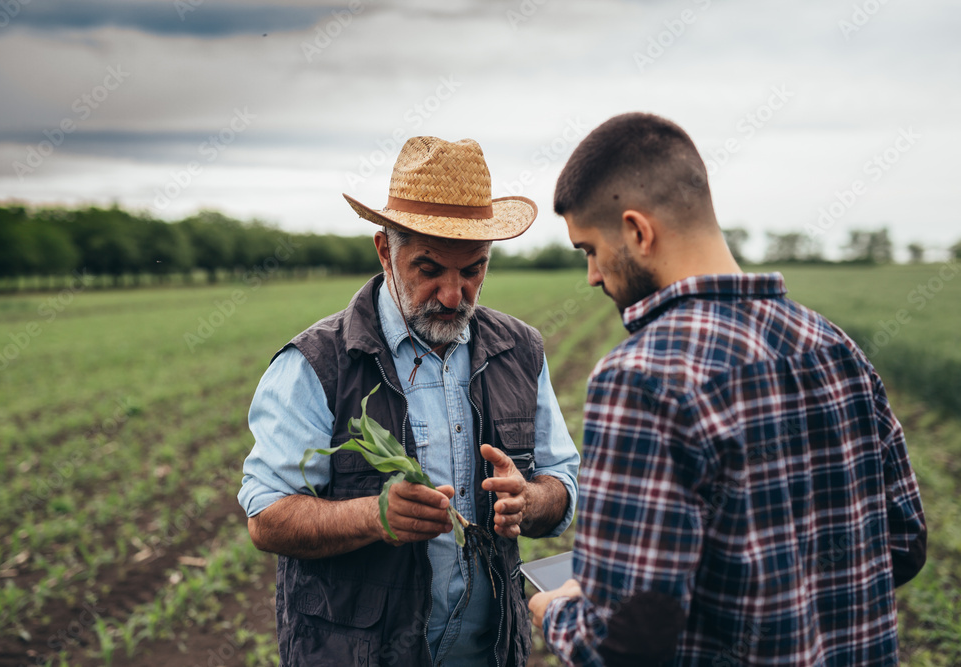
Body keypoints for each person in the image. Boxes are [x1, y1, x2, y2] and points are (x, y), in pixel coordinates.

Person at [528, 113, 926, 665]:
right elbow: (903, 545)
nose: (593, 275)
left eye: (589, 249)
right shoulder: (837, 347)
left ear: (638, 232)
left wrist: (556, 612)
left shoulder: (642, 376)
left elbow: (623, 643)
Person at [238, 136, 580, 667]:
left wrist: (530, 501)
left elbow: (562, 480)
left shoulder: (521, 351)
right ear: (384, 250)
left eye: (472, 270)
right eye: (429, 269)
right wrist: (373, 517)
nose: (452, 294)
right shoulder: (318, 363)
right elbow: (267, 516)